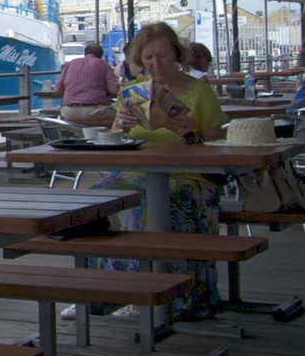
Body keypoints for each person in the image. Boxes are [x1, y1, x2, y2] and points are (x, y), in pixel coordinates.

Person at [89, 22, 228, 318]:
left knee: (153, 205)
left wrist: (194, 132)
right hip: (138, 172)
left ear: (176, 55)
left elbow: (220, 142)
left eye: (162, 56)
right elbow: (114, 137)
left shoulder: (199, 92)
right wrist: (119, 126)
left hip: (188, 175)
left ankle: (162, 295)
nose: (155, 64)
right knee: (92, 202)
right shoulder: (131, 91)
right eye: (148, 58)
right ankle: (106, 291)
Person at [51, 42, 120, 127]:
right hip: (97, 111)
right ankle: (111, 138)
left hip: (70, 112)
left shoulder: (71, 64)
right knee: (121, 115)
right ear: (100, 55)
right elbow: (114, 90)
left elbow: (58, 89)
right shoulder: (103, 64)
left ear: (85, 53)